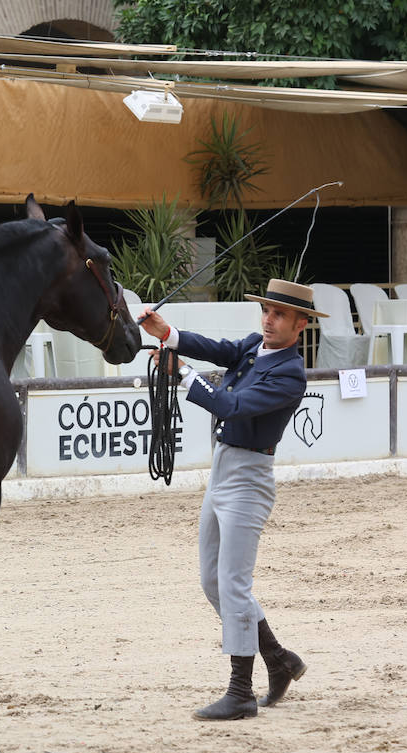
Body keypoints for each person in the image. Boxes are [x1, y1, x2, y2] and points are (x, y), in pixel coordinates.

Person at [137, 279, 327, 721]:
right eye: (266, 311)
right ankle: (278, 658)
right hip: (223, 469)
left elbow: (232, 406)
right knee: (212, 581)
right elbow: (216, 347)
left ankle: (240, 691)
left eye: (279, 314)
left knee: (234, 585)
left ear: (301, 325)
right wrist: (168, 334)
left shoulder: (290, 373)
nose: (268, 319)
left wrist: (181, 373)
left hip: (249, 479)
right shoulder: (252, 346)